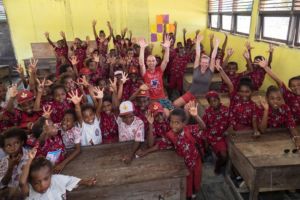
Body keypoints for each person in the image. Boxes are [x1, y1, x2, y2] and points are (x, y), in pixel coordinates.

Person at [19, 150, 96, 200]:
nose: (42, 185)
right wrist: (30, 160)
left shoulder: (56, 179)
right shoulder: (29, 190)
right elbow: (22, 183)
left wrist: (85, 181)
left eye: (46, 179)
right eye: (36, 183)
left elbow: (70, 180)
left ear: (50, 175)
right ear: (30, 182)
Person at [173, 34, 220, 107]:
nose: (204, 64)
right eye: (203, 62)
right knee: (175, 103)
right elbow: (198, 55)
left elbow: (213, 57)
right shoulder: (196, 68)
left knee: (186, 108)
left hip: (201, 96)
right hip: (190, 93)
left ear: (208, 63)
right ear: (200, 62)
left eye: (206, 63)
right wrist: (197, 42)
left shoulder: (210, 71)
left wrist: (216, 46)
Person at [257, 58, 300, 125]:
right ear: (290, 88)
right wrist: (266, 67)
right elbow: (278, 81)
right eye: (293, 86)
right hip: (291, 125)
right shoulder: (289, 95)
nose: (296, 87)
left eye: (299, 85)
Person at [138, 35, 174, 110]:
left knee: (171, 111)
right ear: (146, 63)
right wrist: (142, 48)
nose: (151, 63)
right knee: (159, 114)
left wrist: (167, 48)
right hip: (151, 100)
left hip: (162, 98)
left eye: (153, 61)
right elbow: (141, 63)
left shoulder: (159, 70)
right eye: (149, 61)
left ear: (156, 62)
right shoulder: (145, 73)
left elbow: (166, 60)